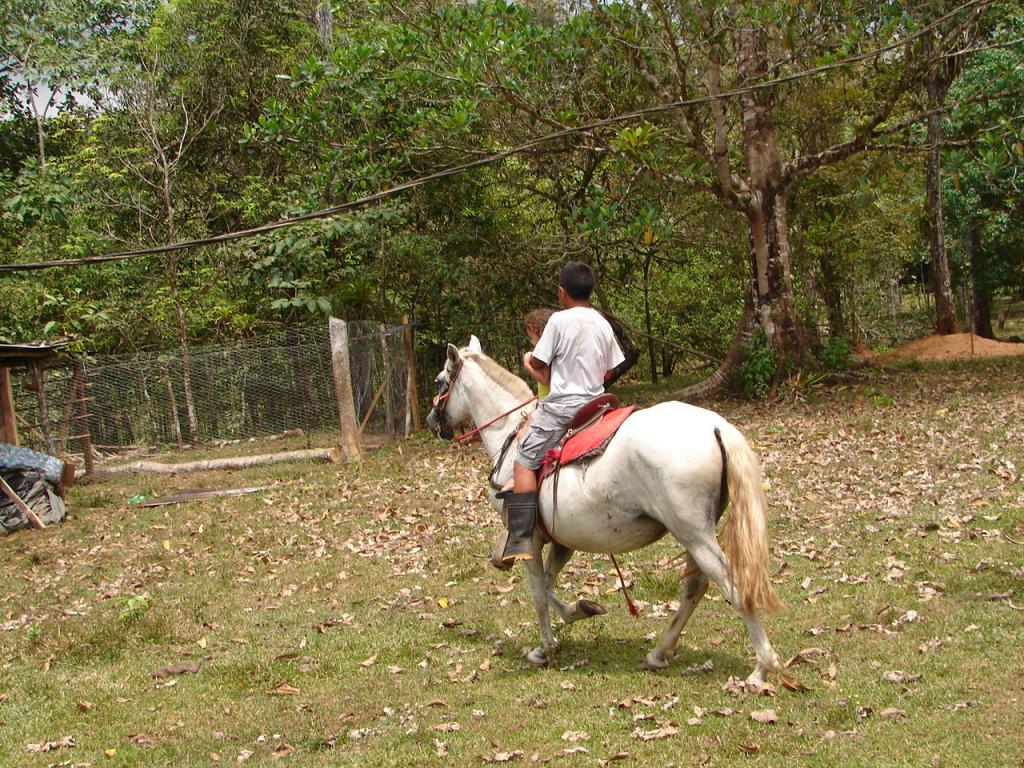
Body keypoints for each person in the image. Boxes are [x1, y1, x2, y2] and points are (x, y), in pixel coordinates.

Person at [497, 262, 625, 566]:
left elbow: (539, 364)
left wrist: (528, 360)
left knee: (524, 460)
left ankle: (520, 537)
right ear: (590, 291)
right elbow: (608, 371)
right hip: (598, 406)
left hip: (562, 409)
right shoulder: (603, 323)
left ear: (561, 292)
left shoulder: (558, 320)